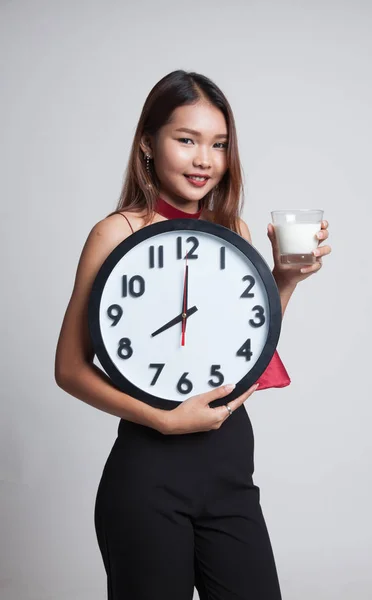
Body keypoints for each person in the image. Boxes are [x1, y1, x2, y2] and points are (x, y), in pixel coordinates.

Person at [54, 70, 331, 599]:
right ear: (148, 144)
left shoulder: (234, 234)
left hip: (230, 471)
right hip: (148, 478)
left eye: (219, 144)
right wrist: (165, 419)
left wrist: (284, 283)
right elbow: (68, 368)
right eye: (187, 140)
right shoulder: (117, 232)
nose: (205, 159)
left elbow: (244, 350)